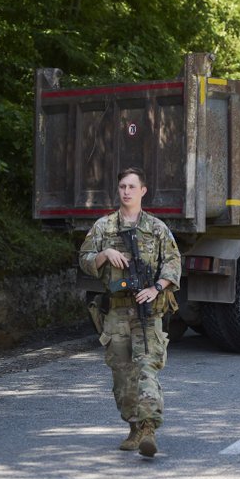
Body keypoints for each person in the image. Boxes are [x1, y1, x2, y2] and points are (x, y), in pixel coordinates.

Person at [79, 167, 181, 458]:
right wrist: (104, 255)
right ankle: (134, 427)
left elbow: (173, 262)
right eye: (122, 186)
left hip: (147, 310)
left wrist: (157, 288)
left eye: (132, 187)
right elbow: (84, 260)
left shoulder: (157, 228)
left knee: (146, 367)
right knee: (122, 377)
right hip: (117, 313)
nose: (126, 191)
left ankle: (149, 428)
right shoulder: (103, 227)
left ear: (143, 191)